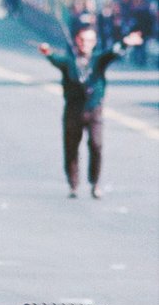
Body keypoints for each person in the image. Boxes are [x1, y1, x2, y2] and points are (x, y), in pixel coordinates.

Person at [40, 24, 143, 198]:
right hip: (73, 110)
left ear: (94, 42)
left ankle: (95, 182)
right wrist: (47, 52)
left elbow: (112, 53)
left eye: (89, 40)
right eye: (82, 40)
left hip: (94, 110)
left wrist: (126, 43)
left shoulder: (98, 59)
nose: (85, 44)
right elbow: (55, 58)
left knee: (96, 145)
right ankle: (73, 184)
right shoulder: (69, 61)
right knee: (71, 147)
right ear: (76, 41)